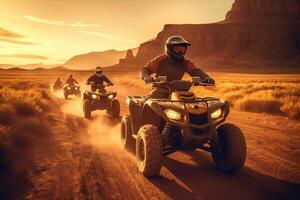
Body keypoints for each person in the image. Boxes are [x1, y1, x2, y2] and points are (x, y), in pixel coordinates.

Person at [140, 35, 215, 98]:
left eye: (182, 49)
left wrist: (206, 78)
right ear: (169, 49)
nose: (180, 52)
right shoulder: (161, 59)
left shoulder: (185, 62)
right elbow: (145, 69)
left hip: (179, 91)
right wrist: (146, 76)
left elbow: (196, 71)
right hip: (160, 90)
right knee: (151, 103)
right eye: (177, 49)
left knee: (193, 105)